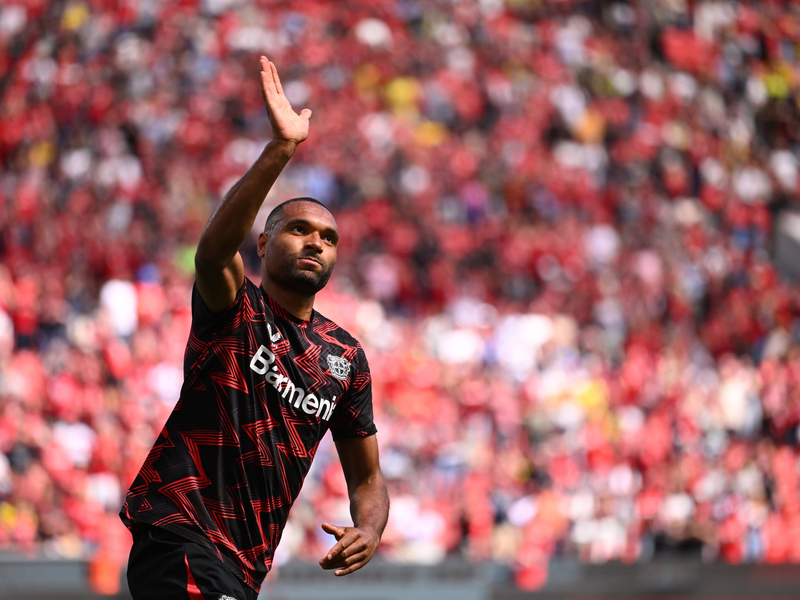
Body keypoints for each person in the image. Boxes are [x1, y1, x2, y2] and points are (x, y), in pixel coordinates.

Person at [119, 57, 389, 600]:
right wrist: (281, 150)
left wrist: (370, 527)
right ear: (263, 243)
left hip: (245, 567)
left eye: (329, 238)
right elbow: (213, 254)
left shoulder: (344, 356)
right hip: (181, 530)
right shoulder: (237, 308)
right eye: (299, 229)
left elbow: (367, 477)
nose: (316, 243)